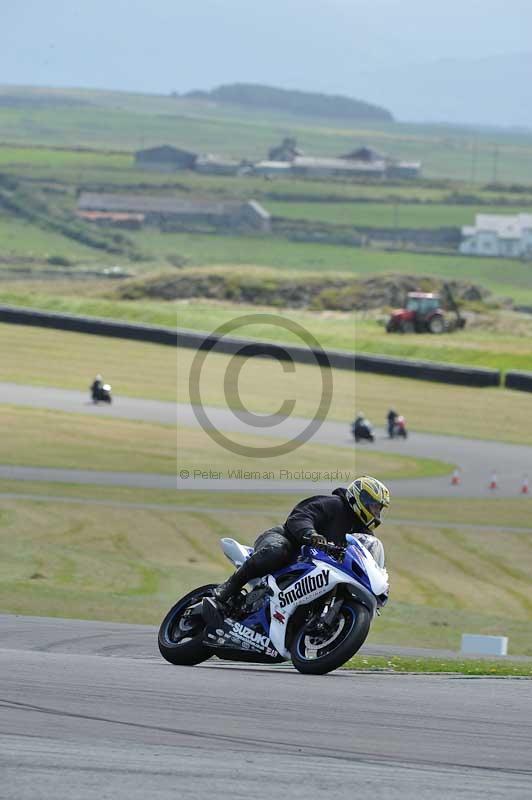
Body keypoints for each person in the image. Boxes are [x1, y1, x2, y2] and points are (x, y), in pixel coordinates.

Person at [213, 476, 390, 611]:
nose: (376, 512)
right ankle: (228, 588)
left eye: (378, 508)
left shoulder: (363, 534)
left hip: (314, 566)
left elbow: (365, 557)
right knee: (277, 551)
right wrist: (311, 534)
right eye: (373, 505)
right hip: (286, 540)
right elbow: (300, 516)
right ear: (361, 498)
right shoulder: (333, 504)